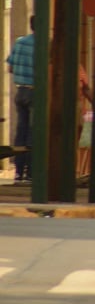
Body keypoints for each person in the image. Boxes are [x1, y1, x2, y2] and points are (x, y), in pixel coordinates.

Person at [6, 16, 35, 184]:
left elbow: (10, 67)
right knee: (33, 131)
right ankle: (30, 172)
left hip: (20, 91)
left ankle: (18, 171)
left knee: (20, 131)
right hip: (35, 91)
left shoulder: (20, 42)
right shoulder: (45, 43)